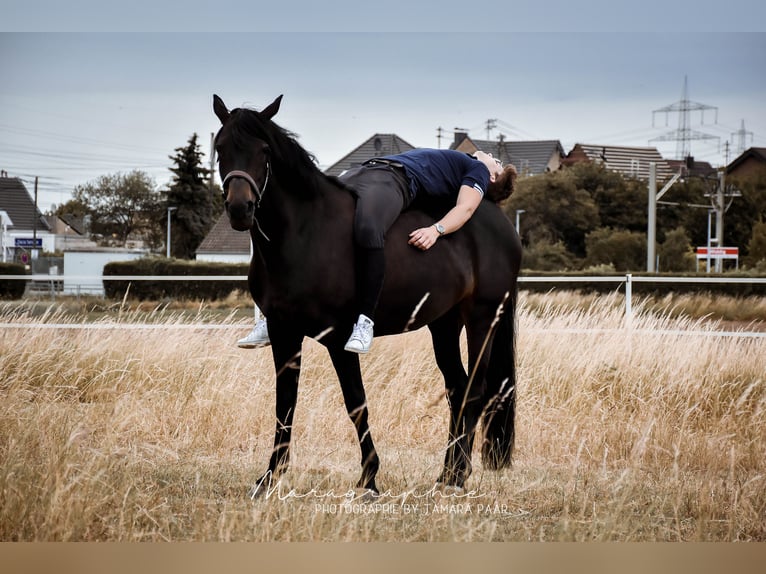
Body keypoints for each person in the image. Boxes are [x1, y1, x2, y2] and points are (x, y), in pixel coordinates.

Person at [236, 148, 517, 353]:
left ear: (492, 178)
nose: (492, 155)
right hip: (362, 170)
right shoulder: (459, 162)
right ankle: (274, 315)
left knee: (369, 226)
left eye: (497, 162)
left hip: (392, 179)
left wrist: (436, 230)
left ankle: (364, 321)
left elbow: (466, 207)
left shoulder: (477, 170)